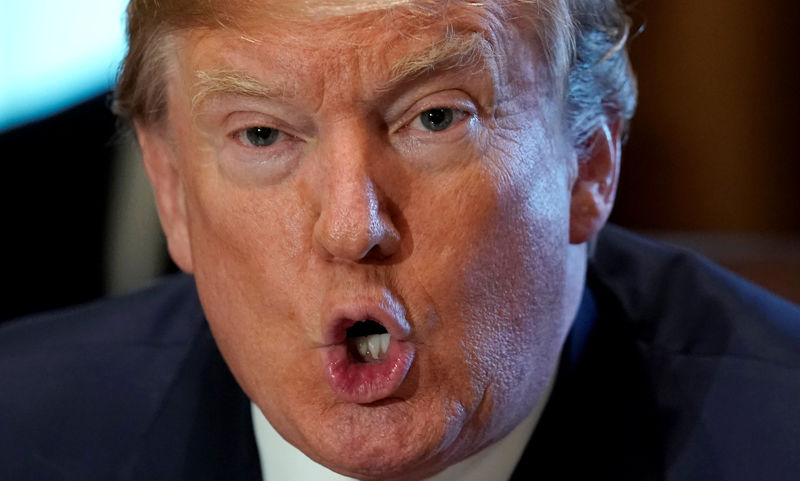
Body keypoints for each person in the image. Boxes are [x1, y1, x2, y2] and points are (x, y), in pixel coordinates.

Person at [1, 1, 799, 480]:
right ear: (170, 187)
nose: (352, 225)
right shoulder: (22, 426)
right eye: (262, 135)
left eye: (436, 118)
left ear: (589, 160)